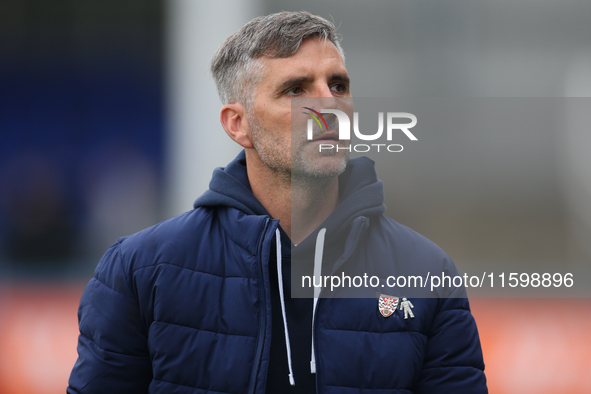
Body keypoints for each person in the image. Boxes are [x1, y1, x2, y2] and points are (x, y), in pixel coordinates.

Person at [68, 11, 487, 393]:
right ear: (239, 124)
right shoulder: (140, 271)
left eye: (337, 85)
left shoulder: (428, 273)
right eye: (295, 89)